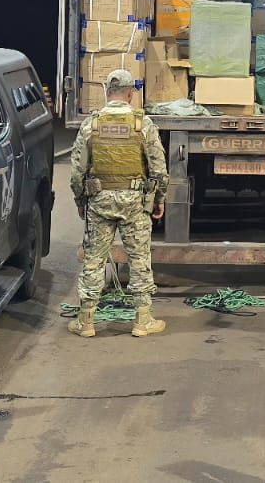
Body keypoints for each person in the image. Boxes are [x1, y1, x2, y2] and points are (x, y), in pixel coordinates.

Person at [68, 69, 169, 338]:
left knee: (93, 260)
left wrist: (80, 200)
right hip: (135, 202)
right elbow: (159, 169)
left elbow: (77, 171)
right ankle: (142, 321)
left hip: (99, 200)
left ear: (106, 92)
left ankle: (86, 321)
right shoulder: (142, 124)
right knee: (139, 259)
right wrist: (159, 199)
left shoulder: (91, 124)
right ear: (130, 94)